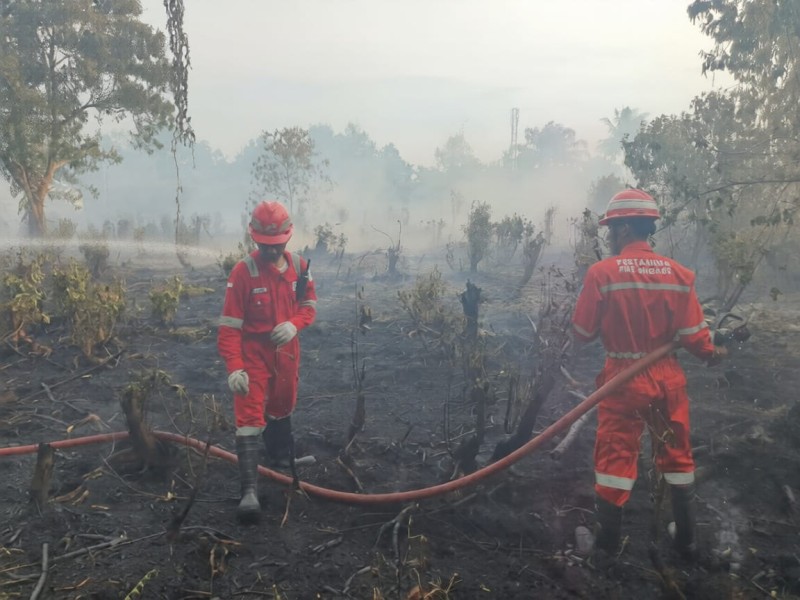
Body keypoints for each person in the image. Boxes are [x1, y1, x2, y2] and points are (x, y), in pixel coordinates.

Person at [571, 189, 726, 566]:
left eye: (611, 229)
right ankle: (687, 541)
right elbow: (695, 339)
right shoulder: (679, 275)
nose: (609, 236)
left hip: (622, 378)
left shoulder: (602, 273)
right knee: (678, 454)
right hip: (667, 377)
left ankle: (606, 548)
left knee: (615, 454)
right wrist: (714, 353)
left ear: (624, 229)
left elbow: (583, 333)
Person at [218, 200, 317, 522]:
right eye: (265, 245)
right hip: (253, 355)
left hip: (287, 352)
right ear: (254, 239)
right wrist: (235, 367)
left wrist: (295, 325)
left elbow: (309, 305)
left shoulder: (300, 267)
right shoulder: (243, 272)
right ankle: (249, 490)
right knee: (249, 414)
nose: (272, 251)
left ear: (288, 237)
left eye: (277, 245)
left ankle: (279, 459)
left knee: (282, 404)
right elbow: (229, 327)